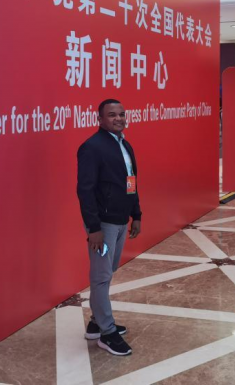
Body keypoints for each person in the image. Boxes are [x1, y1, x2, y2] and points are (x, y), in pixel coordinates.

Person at [77, 99, 142, 356]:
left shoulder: (125, 145)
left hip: (120, 220)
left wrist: (136, 214)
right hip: (103, 225)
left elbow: (131, 181)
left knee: (109, 270)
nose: (119, 118)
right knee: (101, 277)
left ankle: (96, 322)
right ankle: (107, 332)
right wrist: (94, 228)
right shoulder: (91, 147)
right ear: (100, 119)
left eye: (121, 114)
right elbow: (85, 190)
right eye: (112, 115)